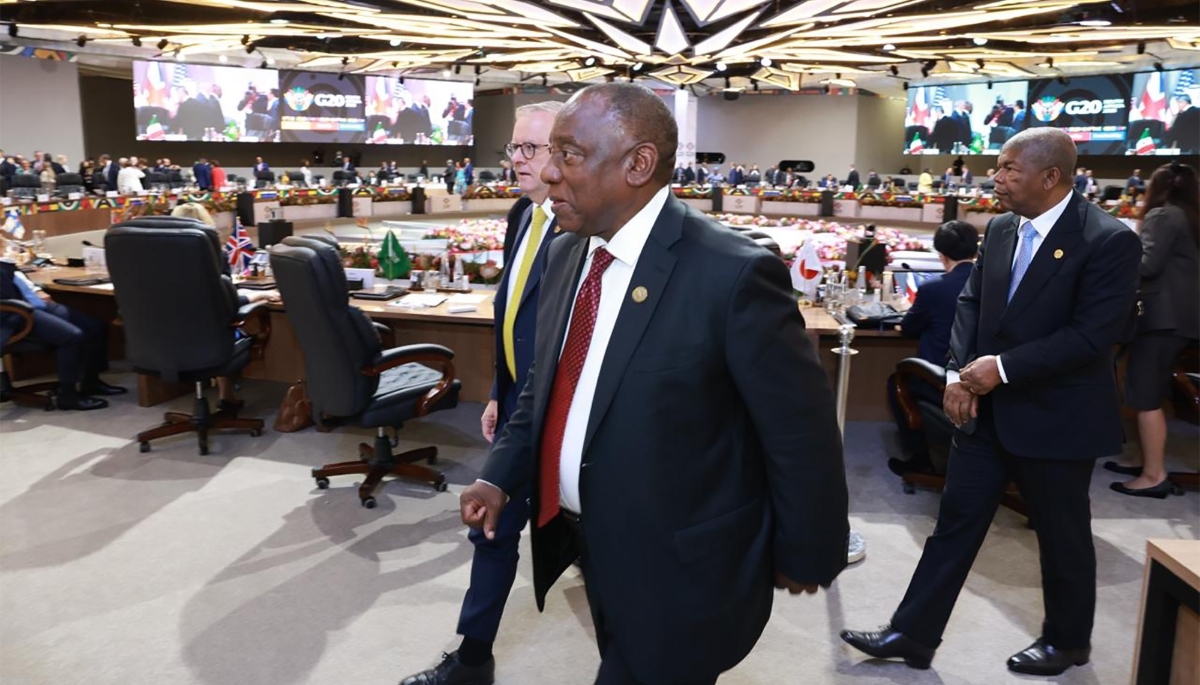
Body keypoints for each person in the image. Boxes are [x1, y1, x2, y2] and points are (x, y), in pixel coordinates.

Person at [458, 82, 848, 685]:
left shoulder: (732, 272)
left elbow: (801, 429)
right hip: (591, 545)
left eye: (569, 154)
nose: (548, 172)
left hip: (681, 563)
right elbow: (547, 382)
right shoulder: (566, 251)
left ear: (638, 164)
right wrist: (500, 473)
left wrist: (807, 549)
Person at [841, 128, 1142, 676]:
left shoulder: (1108, 239)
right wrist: (959, 371)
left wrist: (998, 370)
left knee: (1062, 536)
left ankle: (1068, 641)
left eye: (1008, 169)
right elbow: (972, 304)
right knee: (954, 524)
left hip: (1057, 416)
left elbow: (1091, 336)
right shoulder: (1001, 228)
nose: (995, 179)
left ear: (1050, 177)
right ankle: (913, 633)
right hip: (986, 413)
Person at [401, 101, 566, 685]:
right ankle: (473, 661)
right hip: (522, 405)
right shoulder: (522, 215)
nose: (516, 159)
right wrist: (500, 390)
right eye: (513, 148)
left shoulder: (583, 230)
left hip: (565, 415)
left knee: (596, 541)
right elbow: (510, 315)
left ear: (565, 153)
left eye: (531, 148)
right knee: (491, 527)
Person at [1107, 162, 1200, 497]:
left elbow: (1146, 264)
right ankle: (1145, 460)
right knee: (1149, 392)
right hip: (1181, 319)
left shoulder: (1164, 216)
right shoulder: (1189, 217)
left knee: (1144, 396)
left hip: (1162, 318)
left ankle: (1153, 475)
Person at [886, 221, 979, 476]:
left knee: (897, 381)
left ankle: (921, 458)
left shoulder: (933, 288)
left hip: (942, 381)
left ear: (941, 254)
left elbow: (909, 329)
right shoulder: (993, 285)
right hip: (985, 380)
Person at [169, 203, 279, 411]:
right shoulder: (212, 255)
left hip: (162, 341)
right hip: (207, 340)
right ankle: (225, 395)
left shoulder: (155, 258)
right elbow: (225, 302)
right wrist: (260, 295)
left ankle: (224, 393)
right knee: (225, 327)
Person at [0, 260, 125, 410]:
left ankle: (91, 383)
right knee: (72, 336)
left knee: (94, 327)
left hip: (30, 303)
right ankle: (68, 396)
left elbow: (15, 276)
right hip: (12, 313)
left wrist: (36, 290)